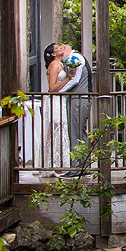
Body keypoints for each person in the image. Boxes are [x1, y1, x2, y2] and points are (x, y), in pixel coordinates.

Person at [44, 42, 91, 177]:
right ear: (53, 54)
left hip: (74, 99)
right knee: (67, 132)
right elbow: (53, 87)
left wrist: (64, 87)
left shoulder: (74, 59)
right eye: (58, 48)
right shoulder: (55, 65)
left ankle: (78, 166)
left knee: (74, 132)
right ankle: (72, 165)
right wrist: (64, 87)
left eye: (62, 47)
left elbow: (75, 80)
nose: (61, 48)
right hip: (63, 99)